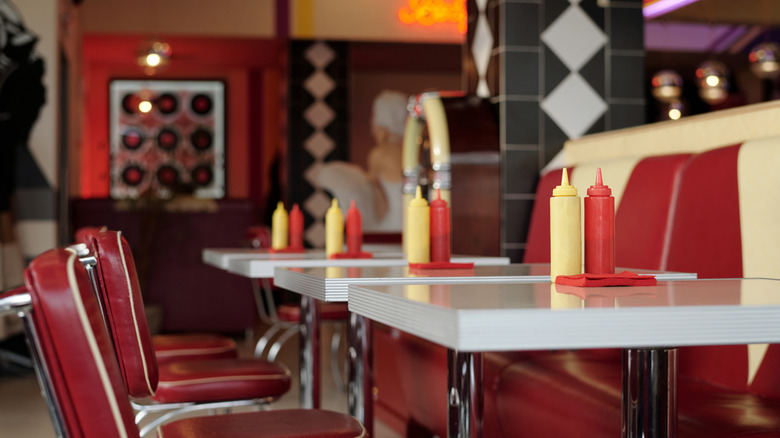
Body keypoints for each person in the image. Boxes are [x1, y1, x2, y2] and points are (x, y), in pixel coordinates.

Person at [313, 90, 409, 232]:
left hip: (394, 224)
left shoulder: (379, 154)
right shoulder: (411, 152)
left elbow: (377, 200)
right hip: (415, 220)